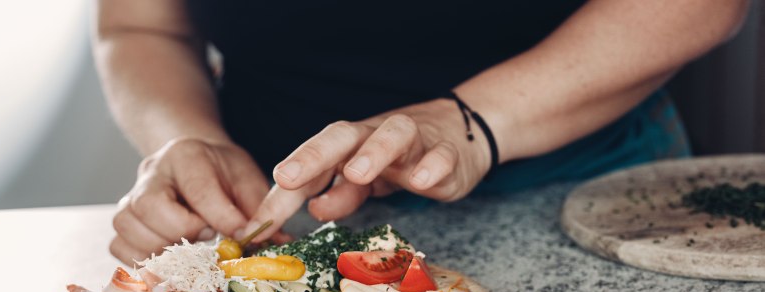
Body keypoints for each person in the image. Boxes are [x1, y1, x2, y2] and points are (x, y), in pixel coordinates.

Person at [95, 0, 750, 264]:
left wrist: (471, 123)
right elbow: (139, 26)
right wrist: (182, 139)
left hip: (587, 185)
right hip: (274, 217)